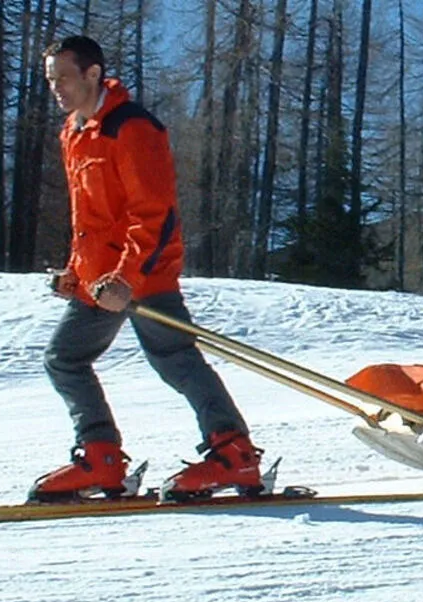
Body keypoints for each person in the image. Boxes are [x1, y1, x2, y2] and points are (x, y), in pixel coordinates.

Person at [32, 35, 264, 501]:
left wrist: (127, 278)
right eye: (50, 79)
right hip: (99, 283)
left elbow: (154, 213)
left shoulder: (132, 128)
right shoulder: (74, 132)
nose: (55, 87)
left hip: (141, 274)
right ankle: (101, 458)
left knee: (175, 359)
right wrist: (76, 271)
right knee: (66, 359)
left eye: (63, 77)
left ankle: (234, 455)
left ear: (93, 74)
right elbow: (92, 218)